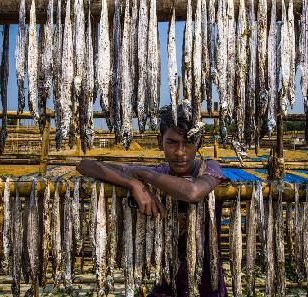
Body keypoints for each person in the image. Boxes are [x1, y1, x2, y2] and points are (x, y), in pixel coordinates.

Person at [76, 104, 228, 296]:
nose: (180, 152)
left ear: (198, 144)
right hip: (165, 280)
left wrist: (141, 174)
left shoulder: (210, 168)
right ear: (159, 142)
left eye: (188, 143)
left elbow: (193, 192)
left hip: (207, 283)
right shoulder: (159, 172)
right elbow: (85, 165)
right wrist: (134, 184)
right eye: (172, 143)